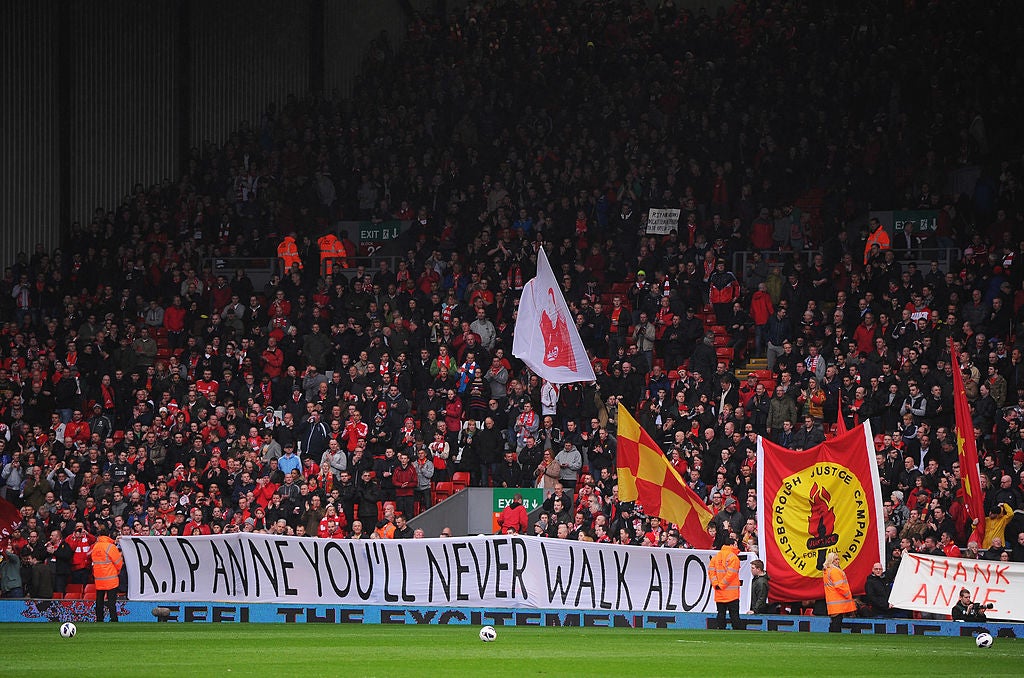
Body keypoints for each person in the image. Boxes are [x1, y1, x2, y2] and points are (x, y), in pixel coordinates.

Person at [90, 525, 123, 622]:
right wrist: (116, 572)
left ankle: (99, 619)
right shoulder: (110, 547)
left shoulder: (95, 546)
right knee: (111, 602)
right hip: (111, 579)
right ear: (109, 535)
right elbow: (118, 563)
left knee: (99, 601)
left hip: (99, 579)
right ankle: (113, 619)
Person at [708, 536, 742, 629]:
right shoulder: (733, 557)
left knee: (721, 613)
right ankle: (737, 631)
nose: (737, 546)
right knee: (734, 615)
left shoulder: (715, 557)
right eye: (735, 544)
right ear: (731, 545)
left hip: (719, 592)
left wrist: (716, 585)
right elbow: (731, 574)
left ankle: (720, 629)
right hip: (732, 594)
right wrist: (722, 585)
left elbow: (711, 572)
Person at [823, 551, 856, 632]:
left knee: (834, 622)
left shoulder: (827, 570)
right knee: (837, 623)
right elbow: (839, 586)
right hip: (838, 601)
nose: (838, 561)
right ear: (831, 560)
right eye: (836, 559)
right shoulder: (834, 571)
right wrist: (848, 595)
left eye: (838, 559)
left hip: (833, 601)